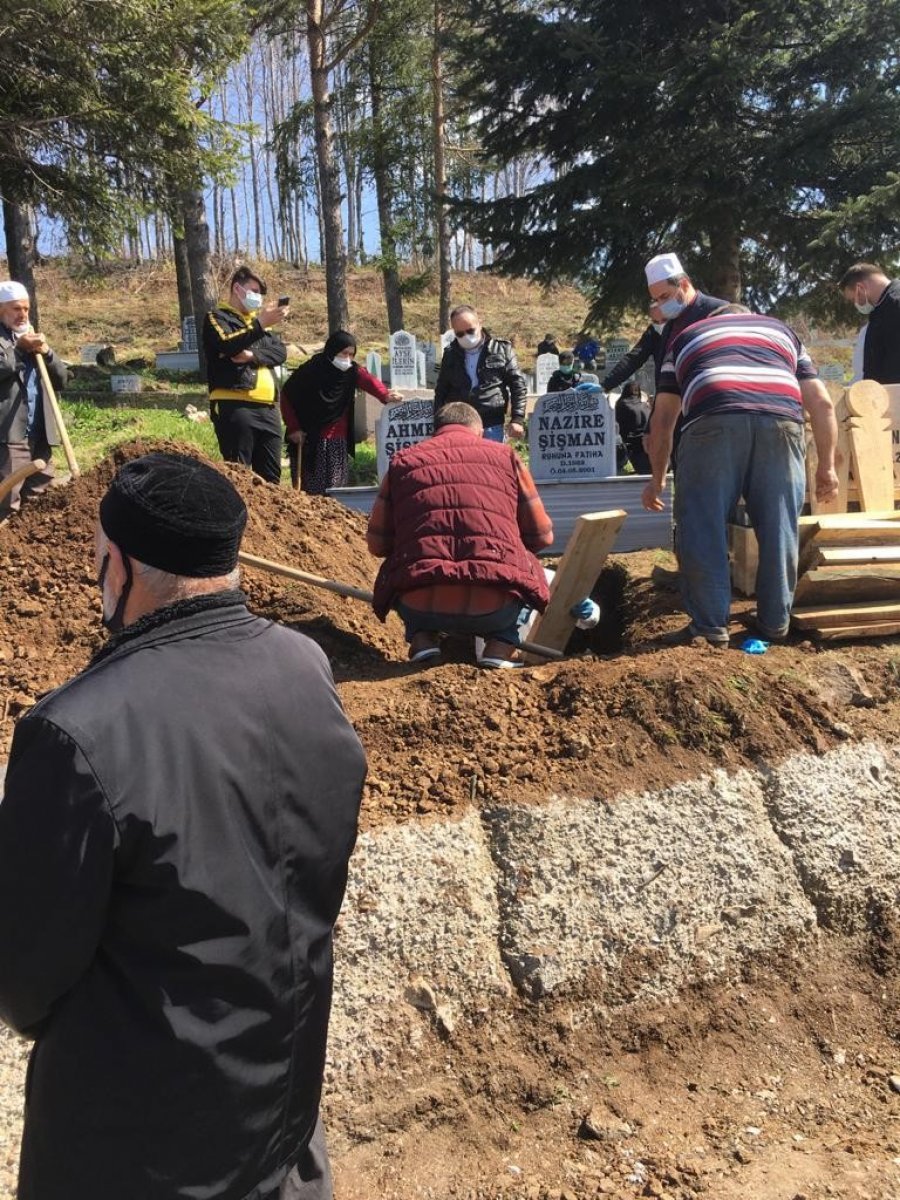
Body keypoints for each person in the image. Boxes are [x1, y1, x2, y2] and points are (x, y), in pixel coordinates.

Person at [0, 451, 366, 1200]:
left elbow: (22, 982)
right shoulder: (305, 667)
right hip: (279, 1129)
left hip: (134, 1156)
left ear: (120, 567)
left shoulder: (74, 732)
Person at [641, 305, 838, 647]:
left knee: (703, 525)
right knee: (780, 527)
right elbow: (822, 403)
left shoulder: (687, 336)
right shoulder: (783, 332)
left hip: (712, 419)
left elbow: (663, 419)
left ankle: (709, 627)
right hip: (782, 423)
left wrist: (657, 478)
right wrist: (827, 467)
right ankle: (775, 623)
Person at [366, 402, 553, 667]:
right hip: (495, 607)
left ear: (436, 430)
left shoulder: (403, 462)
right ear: (478, 431)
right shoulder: (506, 456)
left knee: (400, 566)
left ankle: (422, 639)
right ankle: (500, 645)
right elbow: (542, 537)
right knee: (529, 568)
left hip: (419, 604)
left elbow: (378, 544)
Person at [280, 330, 401, 494]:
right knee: (309, 491)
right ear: (332, 350)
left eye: (352, 354)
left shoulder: (352, 371)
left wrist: (386, 395)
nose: (348, 359)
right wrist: (293, 427)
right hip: (309, 439)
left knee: (336, 491)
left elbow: (369, 382)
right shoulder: (311, 370)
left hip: (337, 441)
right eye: (344, 353)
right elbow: (287, 395)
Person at [203, 265, 290, 484]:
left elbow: (279, 352)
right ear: (236, 289)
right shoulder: (217, 317)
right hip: (235, 405)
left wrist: (251, 355)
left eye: (260, 294)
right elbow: (228, 343)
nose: (257, 298)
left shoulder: (258, 325)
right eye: (253, 291)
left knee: (271, 478)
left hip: (268, 409)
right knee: (239, 475)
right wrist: (259, 325)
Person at [0, 280, 67, 517]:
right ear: (1, 309)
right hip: (11, 435)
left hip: (41, 432)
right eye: (16, 308)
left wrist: (48, 353)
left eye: (26, 309)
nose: (23, 314)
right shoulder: (8, 341)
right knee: (9, 498)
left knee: (41, 497)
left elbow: (62, 380)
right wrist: (18, 349)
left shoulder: (32, 338)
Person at [433, 305, 527, 442]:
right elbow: (441, 390)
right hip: (459, 425)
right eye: (460, 334)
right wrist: (438, 424)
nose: (466, 336)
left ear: (480, 324)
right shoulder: (450, 354)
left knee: (492, 463)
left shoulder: (501, 349)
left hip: (491, 423)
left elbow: (517, 384)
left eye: (470, 330)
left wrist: (517, 418)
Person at [838, 263, 900, 384]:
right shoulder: (881, 310)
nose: (855, 304)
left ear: (860, 288)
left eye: (853, 299)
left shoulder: (895, 305)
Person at [600, 302, 665, 393]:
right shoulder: (653, 332)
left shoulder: (684, 328)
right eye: (655, 321)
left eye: (664, 320)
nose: (660, 324)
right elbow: (632, 360)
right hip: (665, 389)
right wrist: (606, 385)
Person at [615, 380, 652, 474]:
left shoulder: (621, 405)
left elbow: (620, 428)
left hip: (634, 446)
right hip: (651, 442)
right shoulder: (644, 405)